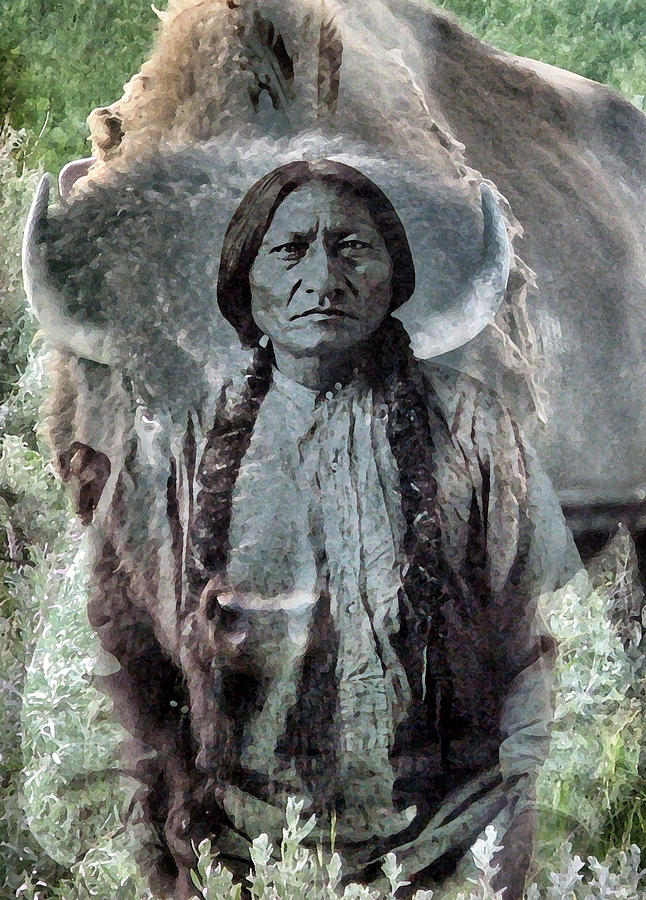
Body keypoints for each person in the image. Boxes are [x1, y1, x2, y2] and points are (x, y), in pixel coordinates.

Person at [155, 157, 577, 899]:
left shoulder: (472, 424)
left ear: (394, 277)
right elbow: (135, 666)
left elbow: (544, 636)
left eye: (352, 248)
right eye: (290, 250)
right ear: (245, 282)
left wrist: (523, 809)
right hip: (238, 852)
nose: (323, 279)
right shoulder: (189, 442)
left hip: (456, 841)